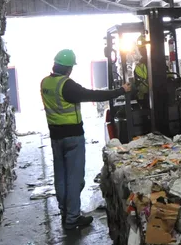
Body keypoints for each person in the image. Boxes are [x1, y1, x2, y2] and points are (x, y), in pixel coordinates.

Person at [41, 49, 130, 231]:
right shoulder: (67, 85)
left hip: (56, 137)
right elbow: (93, 95)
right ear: (68, 68)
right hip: (72, 137)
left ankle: (66, 213)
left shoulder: (45, 83)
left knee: (61, 177)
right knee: (75, 179)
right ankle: (73, 218)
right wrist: (121, 90)